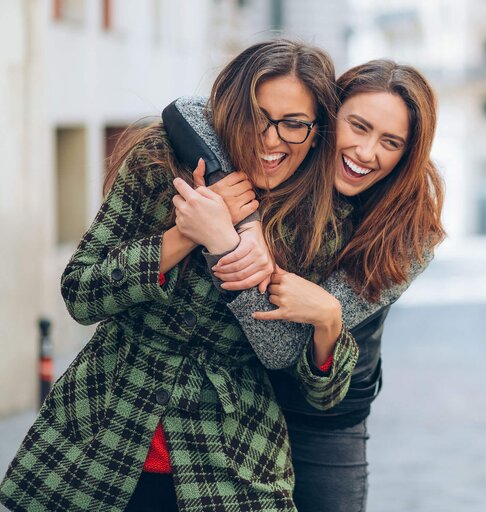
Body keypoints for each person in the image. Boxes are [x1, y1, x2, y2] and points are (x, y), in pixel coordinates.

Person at [0, 40, 359, 512]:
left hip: (231, 464)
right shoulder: (160, 160)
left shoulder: (322, 224)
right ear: (230, 109)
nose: (271, 140)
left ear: (316, 133)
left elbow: (321, 392)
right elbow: (80, 294)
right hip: (100, 437)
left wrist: (328, 320)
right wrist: (184, 235)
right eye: (257, 116)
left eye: (294, 124)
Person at [167, 59, 445, 512]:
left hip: (326, 415)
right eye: (358, 126)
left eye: (390, 142)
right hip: (243, 396)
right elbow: (186, 109)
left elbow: (284, 344)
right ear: (326, 118)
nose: (367, 152)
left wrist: (327, 313)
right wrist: (246, 220)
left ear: (407, 153)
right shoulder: (287, 156)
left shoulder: (411, 236)